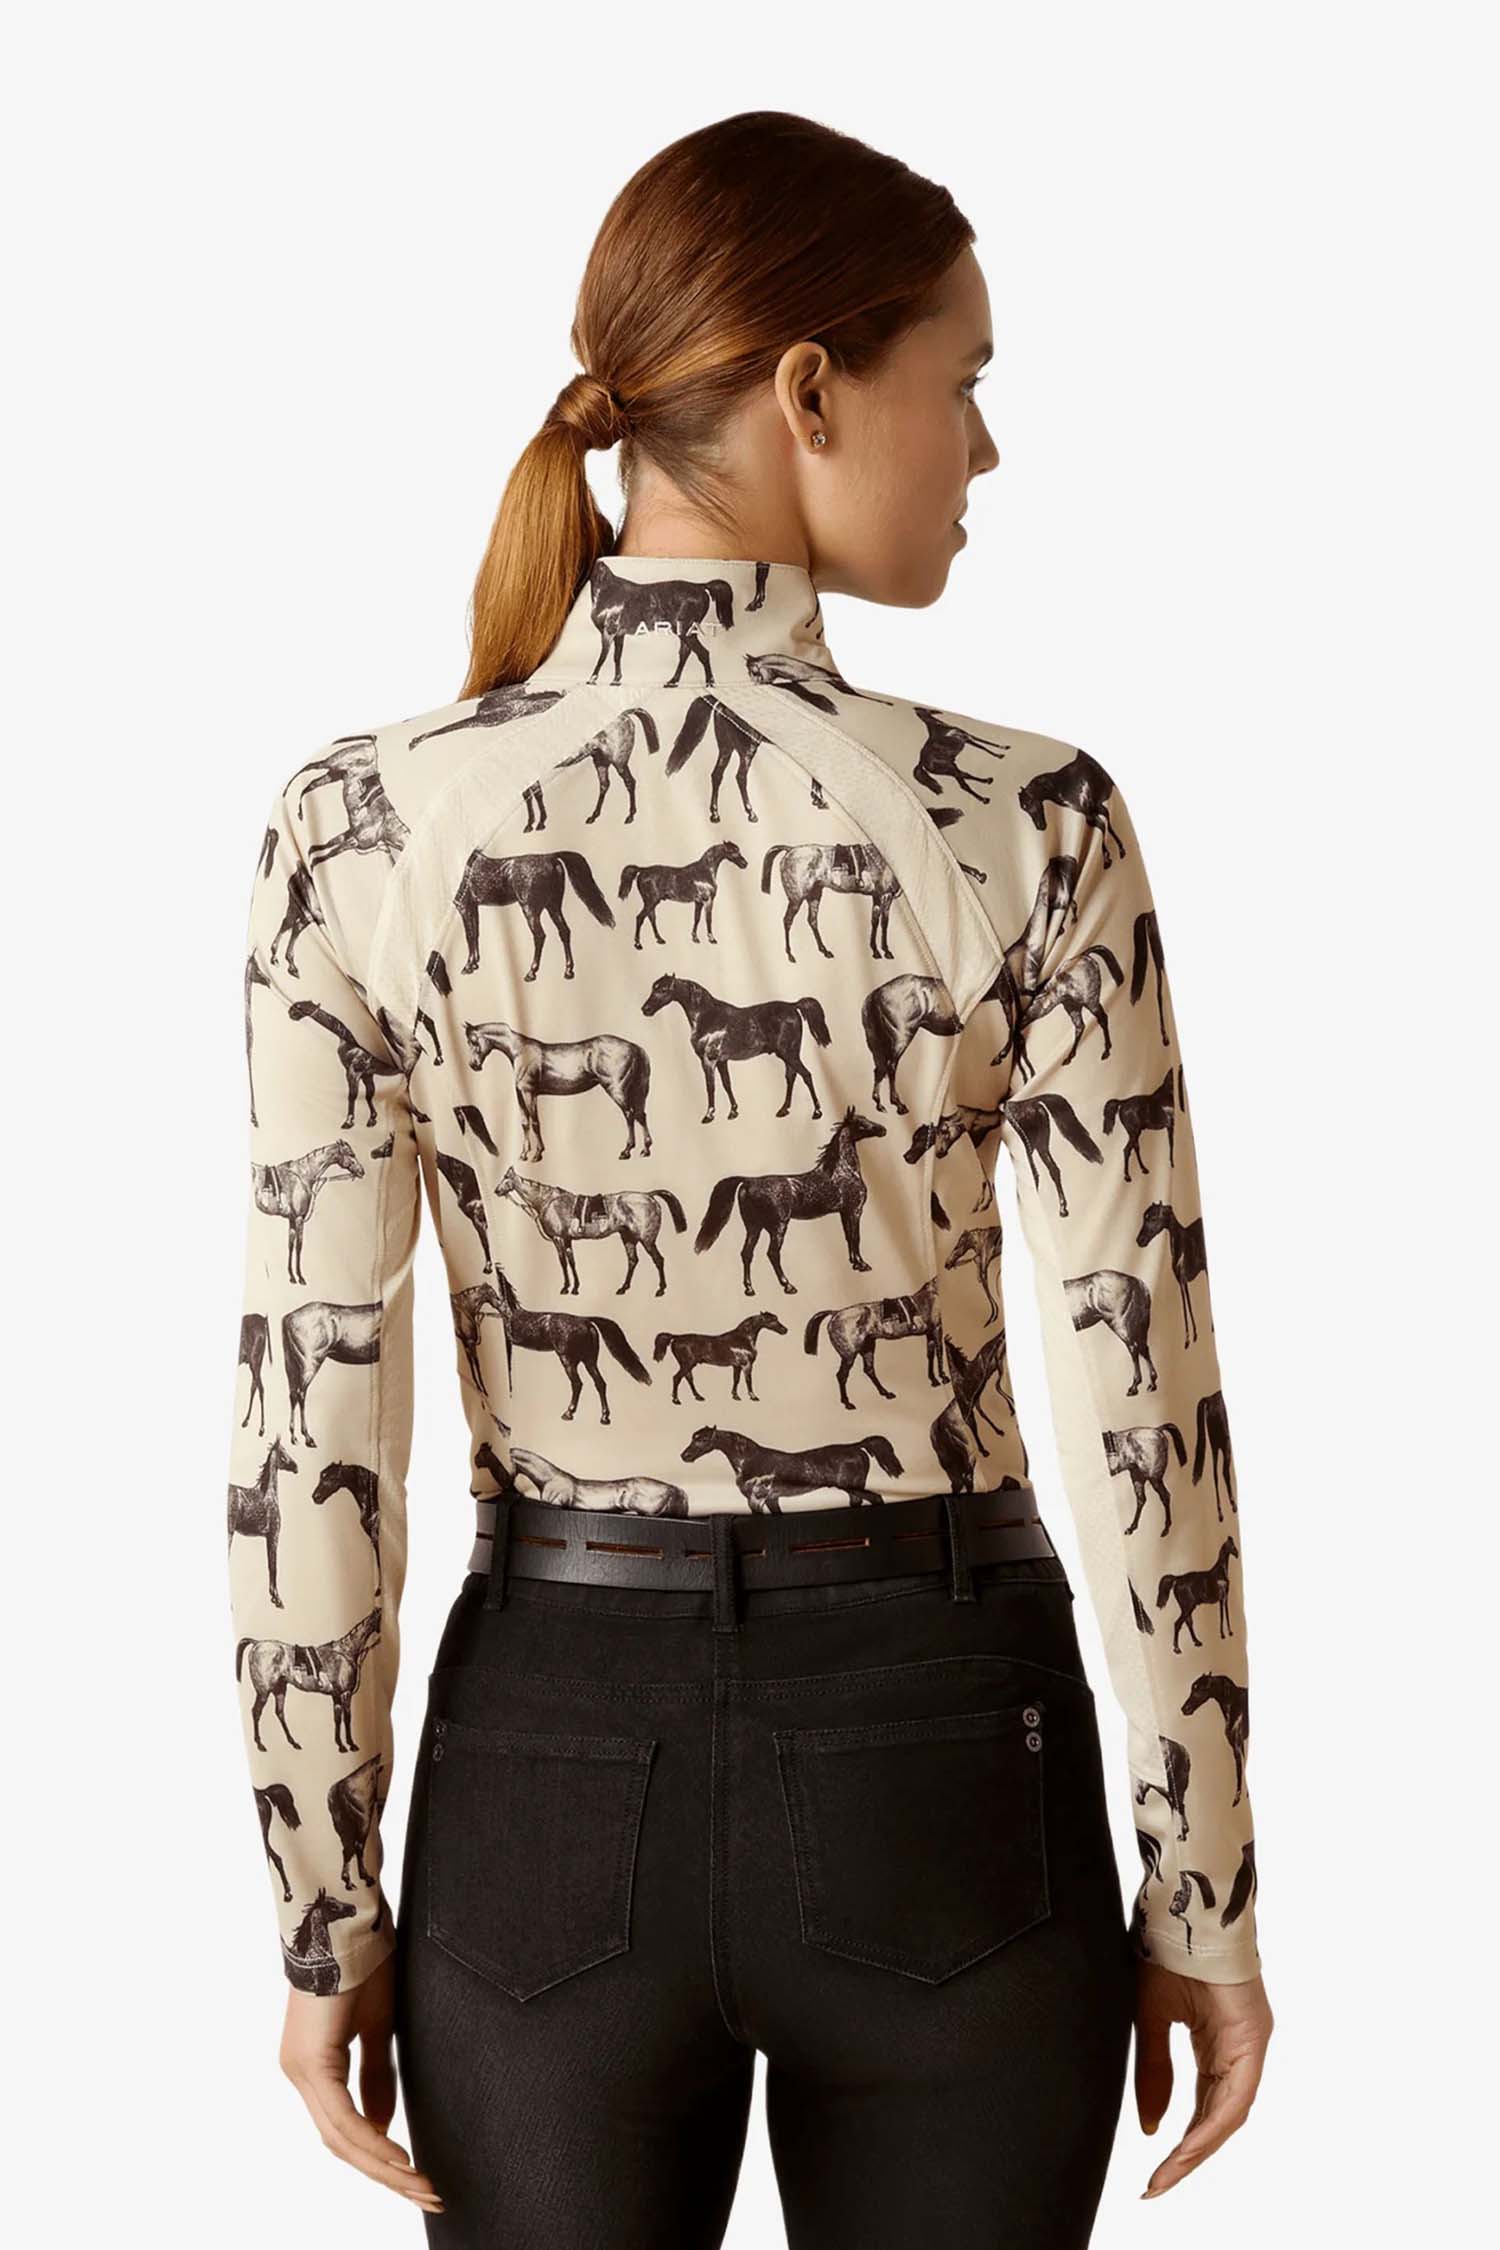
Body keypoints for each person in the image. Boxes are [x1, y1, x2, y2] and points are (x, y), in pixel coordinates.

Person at [225, 108, 1273, 2247]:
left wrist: (324, 1905)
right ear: (812, 387)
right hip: (945, 1766)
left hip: (548, 1770)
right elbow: (1139, 1388)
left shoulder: (357, 828)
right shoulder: (1032, 825)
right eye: (962, 382)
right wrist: (1207, 1885)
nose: (985, 449)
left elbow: (310, 1409)